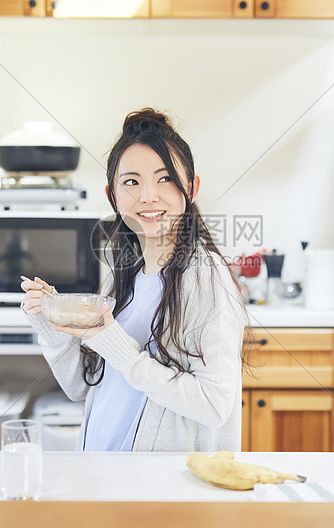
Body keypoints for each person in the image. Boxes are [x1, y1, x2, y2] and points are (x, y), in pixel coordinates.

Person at [20, 108, 247, 452]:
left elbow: (214, 405)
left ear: (191, 187)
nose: (147, 196)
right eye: (131, 182)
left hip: (157, 488)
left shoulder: (205, 276)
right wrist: (50, 324)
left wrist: (118, 347)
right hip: (103, 471)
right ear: (112, 195)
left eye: (165, 178)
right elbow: (84, 388)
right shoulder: (120, 277)